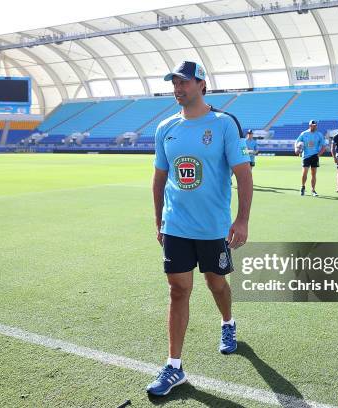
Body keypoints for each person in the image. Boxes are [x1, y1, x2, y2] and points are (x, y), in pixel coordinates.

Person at [148, 61, 253, 397]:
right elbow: (160, 177)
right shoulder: (165, 127)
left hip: (213, 227)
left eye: (184, 82)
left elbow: (243, 174)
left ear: (201, 84)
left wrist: (242, 219)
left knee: (216, 283)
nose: (178, 89)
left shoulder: (223, 124)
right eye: (174, 83)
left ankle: (227, 323)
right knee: (178, 290)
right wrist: (158, 219)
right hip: (176, 224)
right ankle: (174, 367)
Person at [295, 120, 327, 197]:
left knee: (313, 174)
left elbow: (323, 146)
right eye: (313, 125)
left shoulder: (319, 134)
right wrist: (296, 149)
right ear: (310, 125)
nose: (314, 126)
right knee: (304, 172)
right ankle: (303, 187)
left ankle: (313, 190)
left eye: (315, 125)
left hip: (314, 156)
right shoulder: (304, 134)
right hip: (306, 156)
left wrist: (318, 155)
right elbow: (297, 142)